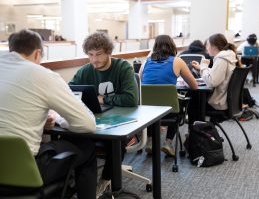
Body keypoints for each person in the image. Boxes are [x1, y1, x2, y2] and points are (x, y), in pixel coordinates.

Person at [0, 29, 97, 199]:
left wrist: (39, 117)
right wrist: (59, 119)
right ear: (38, 53)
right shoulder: (42, 75)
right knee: (86, 146)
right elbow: (87, 124)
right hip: (23, 172)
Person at [69, 31, 138, 197]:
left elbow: (131, 99)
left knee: (115, 143)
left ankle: (105, 181)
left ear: (109, 52)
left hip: (122, 122)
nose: (94, 60)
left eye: (99, 54)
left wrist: (103, 98)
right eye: (90, 55)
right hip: (95, 121)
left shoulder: (123, 67)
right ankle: (74, 184)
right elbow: (69, 91)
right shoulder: (85, 71)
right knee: (71, 138)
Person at [139, 34, 198, 157]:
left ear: (155, 47)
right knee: (177, 104)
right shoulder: (177, 61)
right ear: (172, 46)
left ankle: (150, 142)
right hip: (169, 112)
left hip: (147, 112)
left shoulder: (146, 62)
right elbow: (194, 86)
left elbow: (139, 81)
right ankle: (168, 143)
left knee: (151, 103)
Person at [192, 33, 242, 111]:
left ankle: (198, 122)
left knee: (193, 96)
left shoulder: (222, 59)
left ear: (214, 46)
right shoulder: (227, 56)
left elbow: (212, 82)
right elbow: (218, 74)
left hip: (219, 102)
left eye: (207, 45)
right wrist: (200, 68)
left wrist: (204, 66)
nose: (206, 48)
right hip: (227, 99)